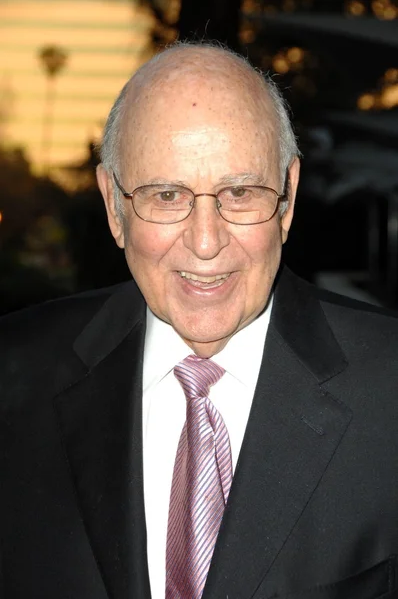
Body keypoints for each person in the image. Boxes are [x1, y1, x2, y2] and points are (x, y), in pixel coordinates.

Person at [1, 42, 398, 599]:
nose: (206, 242)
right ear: (114, 207)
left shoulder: (390, 392)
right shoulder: (13, 379)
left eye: (240, 192)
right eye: (167, 195)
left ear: (287, 199)